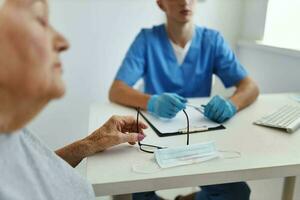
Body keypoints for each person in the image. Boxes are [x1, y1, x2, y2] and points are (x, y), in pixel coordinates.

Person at [109, 0, 259, 199]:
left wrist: (232, 104)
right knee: (131, 191)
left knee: (236, 193)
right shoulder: (147, 40)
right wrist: (152, 101)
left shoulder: (211, 40)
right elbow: (116, 90)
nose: (185, 1)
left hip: (199, 137)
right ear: (161, 4)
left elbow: (250, 87)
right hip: (154, 138)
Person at [0, 0, 147, 199]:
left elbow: (34, 175)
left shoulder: (11, 133)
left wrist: (92, 142)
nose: (63, 43)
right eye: (40, 21)